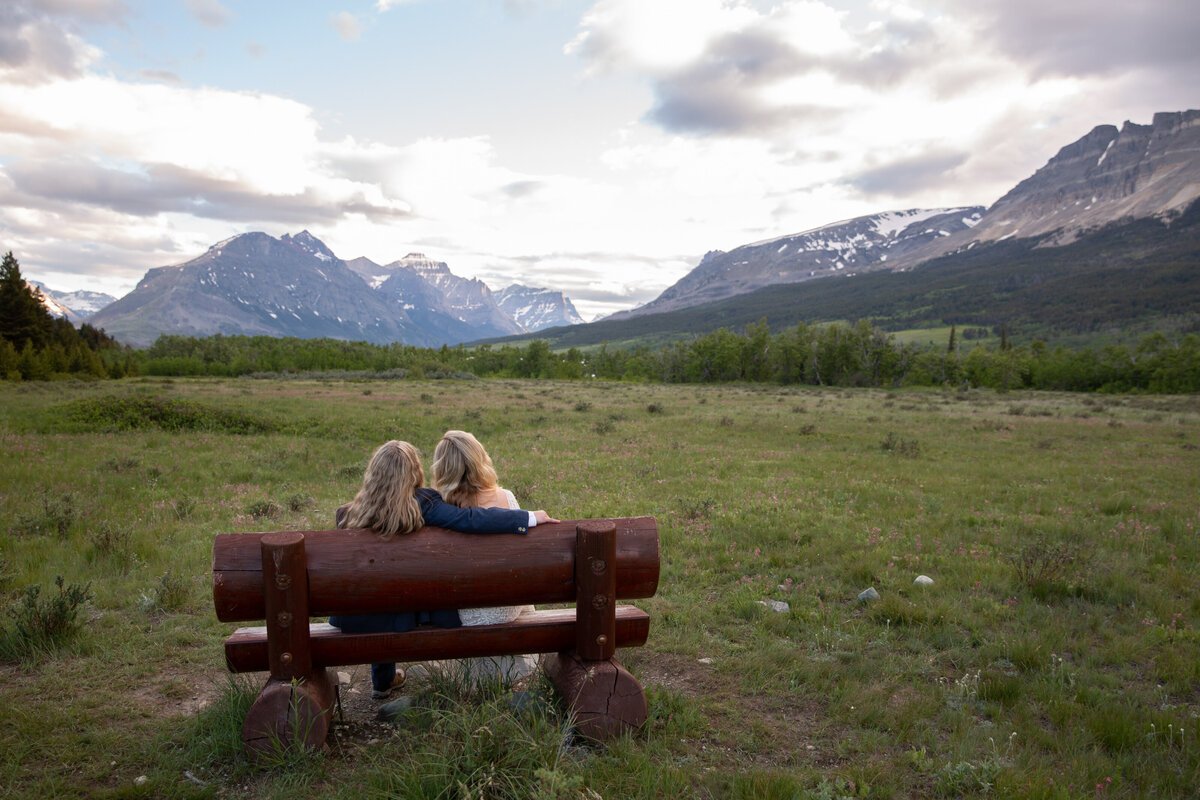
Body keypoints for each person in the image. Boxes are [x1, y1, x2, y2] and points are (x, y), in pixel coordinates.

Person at [330, 439, 558, 699]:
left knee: (380, 595)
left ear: (373, 474)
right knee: (395, 597)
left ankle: (382, 682)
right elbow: (470, 519)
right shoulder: (425, 503)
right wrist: (527, 517)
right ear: (416, 472)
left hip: (363, 616)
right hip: (408, 614)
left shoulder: (347, 515)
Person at [431, 431, 541, 684]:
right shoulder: (507, 498)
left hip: (466, 616)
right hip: (507, 608)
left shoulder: (439, 510)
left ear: (442, 467)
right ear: (480, 460)